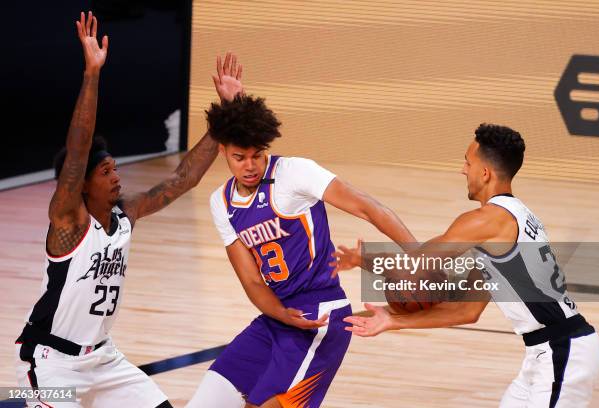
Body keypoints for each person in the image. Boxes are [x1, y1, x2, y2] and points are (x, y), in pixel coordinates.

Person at [14, 12, 242, 407]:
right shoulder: (68, 222)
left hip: (103, 360)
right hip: (50, 363)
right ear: (82, 182)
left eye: (115, 167)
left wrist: (224, 114)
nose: (116, 175)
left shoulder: (124, 217)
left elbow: (182, 180)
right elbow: (79, 147)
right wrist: (91, 74)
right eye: (105, 171)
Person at [335, 124, 599, 407]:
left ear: (485, 173)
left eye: (468, 162)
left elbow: (417, 263)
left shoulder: (487, 220)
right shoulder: (511, 221)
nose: (463, 170)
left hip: (563, 350)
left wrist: (362, 260)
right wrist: (392, 320)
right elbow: (466, 310)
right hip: (545, 352)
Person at [186, 81, 416, 407]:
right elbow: (251, 279)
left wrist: (422, 254)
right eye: (239, 157)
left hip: (320, 314)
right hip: (276, 317)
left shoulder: (295, 173)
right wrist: (279, 312)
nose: (250, 166)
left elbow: (369, 207)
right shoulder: (221, 202)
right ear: (222, 150)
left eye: (257, 155)